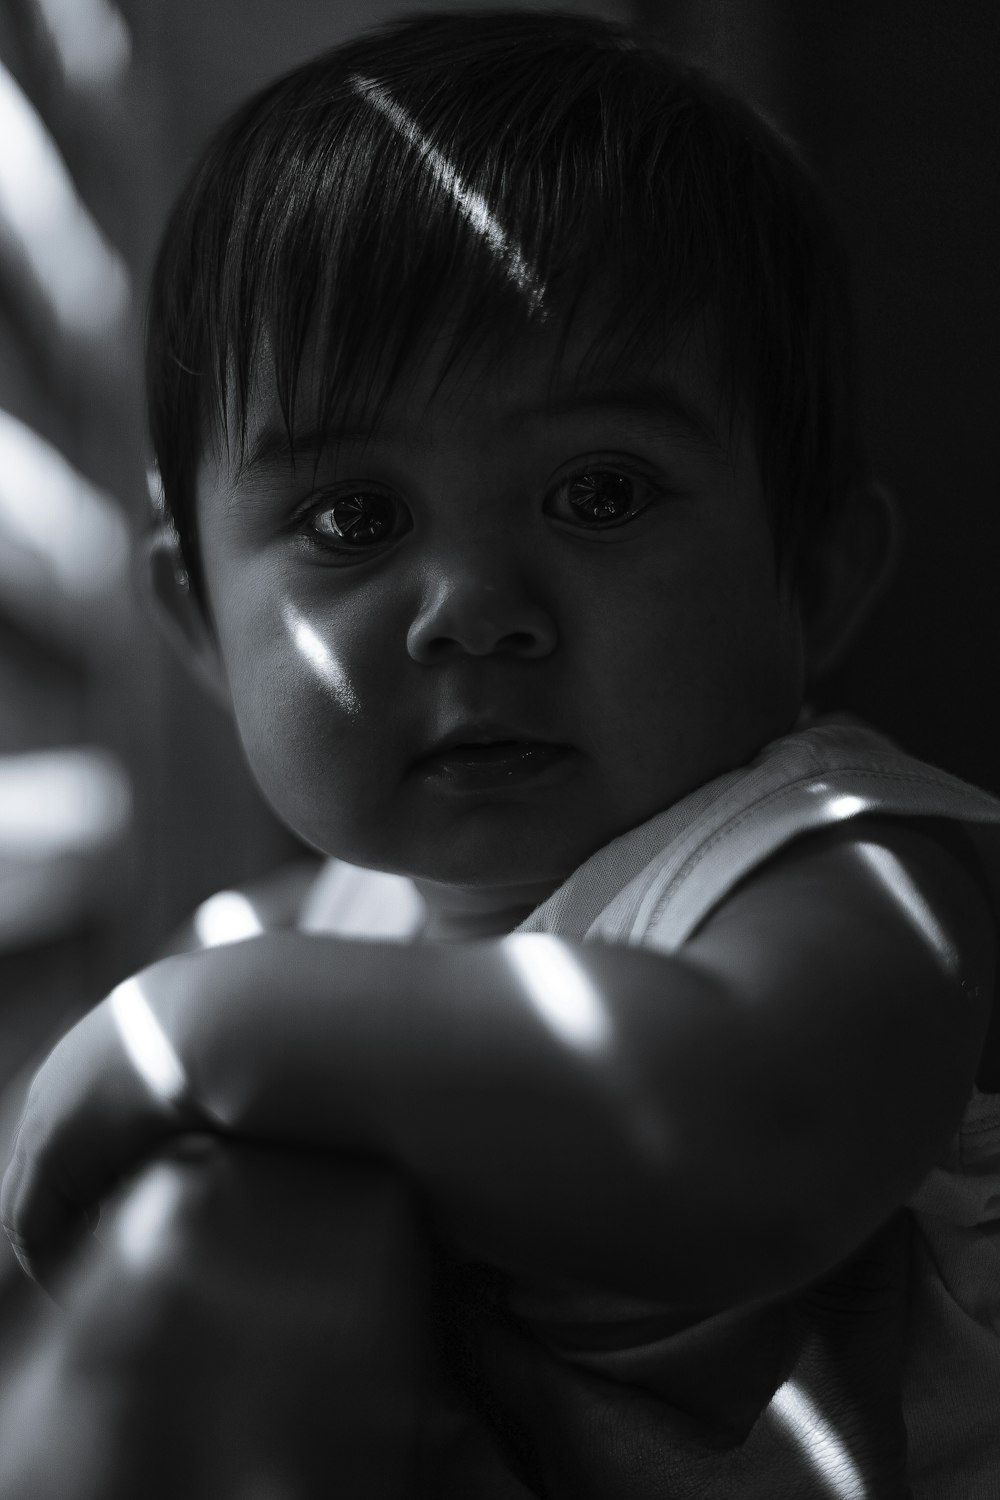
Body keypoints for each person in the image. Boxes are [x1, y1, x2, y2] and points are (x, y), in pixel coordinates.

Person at [3, 9, 999, 1496]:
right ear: (197, 622)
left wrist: (202, 1034)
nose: (475, 606)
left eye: (598, 492)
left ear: (819, 573)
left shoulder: (839, 869)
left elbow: (743, 1127)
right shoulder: (329, 922)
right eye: (353, 521)